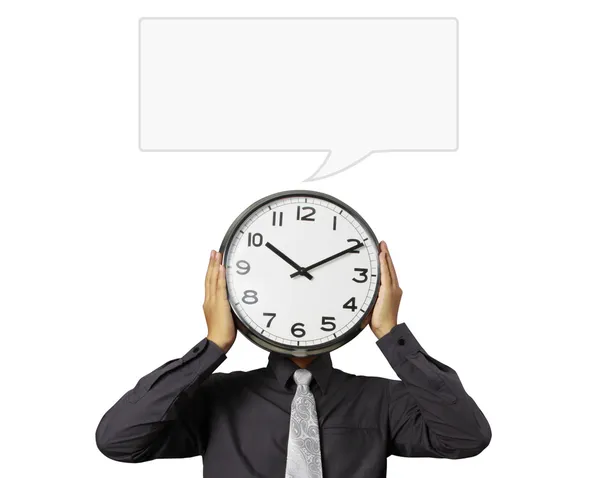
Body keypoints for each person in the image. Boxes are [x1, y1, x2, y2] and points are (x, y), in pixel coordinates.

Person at [95, 241, 491, 477]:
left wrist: (390, 334)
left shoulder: (381, 401)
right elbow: (118, 442)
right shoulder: (215, 399)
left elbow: (467, 437)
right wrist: (213, 345)